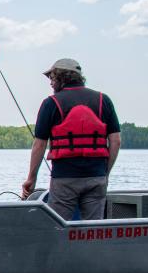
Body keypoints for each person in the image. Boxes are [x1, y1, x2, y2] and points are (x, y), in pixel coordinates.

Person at [21, 58, 121, 220]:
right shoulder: (104, 100)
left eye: (52, 78)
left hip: (64, 179)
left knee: (59, 228)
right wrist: (105, 172)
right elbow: (116, 141)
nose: (51, 83)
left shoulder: (50, 104)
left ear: (62, 77)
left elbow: (39, 144)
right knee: (93, 231)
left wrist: (31, 179)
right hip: (96, 177)